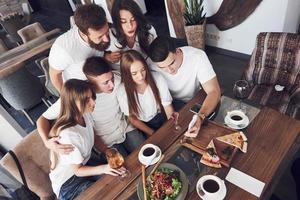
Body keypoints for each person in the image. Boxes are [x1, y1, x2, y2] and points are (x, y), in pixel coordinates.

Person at [37, 56, 145, 157]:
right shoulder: (79, 96)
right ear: (92, 83)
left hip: (124, 127)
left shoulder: (116, 79)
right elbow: (42, 119)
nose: (112, 84)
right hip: (104, 141)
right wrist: (47, 142)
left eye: (111, 78)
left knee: (146, 150)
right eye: (106, 82)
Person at [48, 79, 125, 200]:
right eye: (86, 100)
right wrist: (105, 168)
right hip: (68, 183)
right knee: (108, 194)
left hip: (85, 165)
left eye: (92, 97)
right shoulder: (69, 134)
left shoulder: (84, 113)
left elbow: (93, 135)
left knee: (120, 180)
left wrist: (107, 150)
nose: (93, 102)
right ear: (72, 103)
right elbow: (77, 171)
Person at [148, 36, 221, 138]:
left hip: (192, 101)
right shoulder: (150, 65)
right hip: (168, 104)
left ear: (177, 51)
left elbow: (214, 91)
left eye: (172, 63)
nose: (169, 71)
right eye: (162, 68)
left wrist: (200, 117)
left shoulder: (197, 56)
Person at [49, 4, 117, 92]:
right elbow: (54, 75)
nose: (106, 39)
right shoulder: (64, 49)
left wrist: (106, 56)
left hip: (102, 80)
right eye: (100, 37)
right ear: (84, 34)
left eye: (107, 32)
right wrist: (67, 96)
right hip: (81, 89)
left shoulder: (101, 32)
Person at [117, 50, 176, 136]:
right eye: (134, 73)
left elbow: (167, 106)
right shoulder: (122, 91)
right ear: (127, 74)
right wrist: (152, 133)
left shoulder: (157, 78)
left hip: (162, 115)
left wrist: (171, 126)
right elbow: (132, 118)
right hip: (145, 124)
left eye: (143, 70)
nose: (141, 76)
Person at [105, 0, 157, 68]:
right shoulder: (108, 36)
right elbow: (96, 58)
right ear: (117, 22)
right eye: (123, 22)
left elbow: (157, 54)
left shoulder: (148, 31)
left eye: (133, 19)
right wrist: (107, 57)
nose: (130, 26)